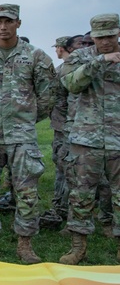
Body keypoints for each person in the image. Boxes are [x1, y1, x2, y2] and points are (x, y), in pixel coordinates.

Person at [0, 3, 56, 263]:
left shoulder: (36, 57)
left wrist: (25, 119)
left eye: (8, 21)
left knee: (27, 193)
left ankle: (25, 244)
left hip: (22, 137)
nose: (3, 26)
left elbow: (47, 95)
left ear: (18, 23)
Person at [60, 14, 120, 263]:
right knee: (81, 194)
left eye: (110, 36)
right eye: (100, 37)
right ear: (92, 37)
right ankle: (78, 247)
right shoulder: (80, 58)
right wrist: (100, 61)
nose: (105, 41)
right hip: (86, 139)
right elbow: (72, 84)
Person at [40, 35, 81, 230]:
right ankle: (62, 208)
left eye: (57, 47)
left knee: (69, 172)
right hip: (64, 128)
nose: (56, 50)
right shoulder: (59, 71)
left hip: (70, 129)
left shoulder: (64, 71)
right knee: (64, 171)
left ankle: (66, 211)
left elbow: (56, 101)